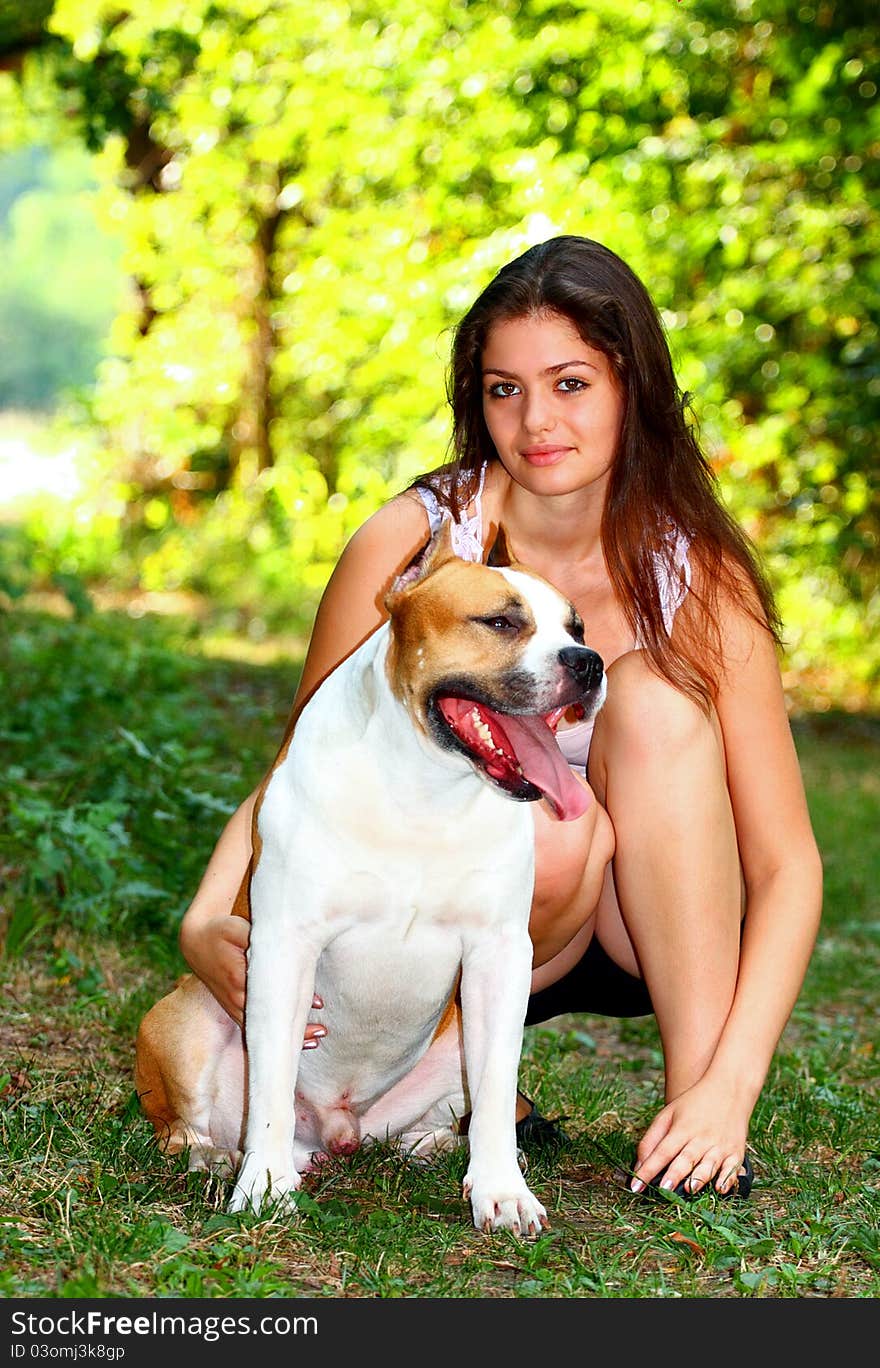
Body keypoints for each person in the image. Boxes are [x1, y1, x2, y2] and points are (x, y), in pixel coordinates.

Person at [179, 235, 823, 1198]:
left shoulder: (703, 576)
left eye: (570, 384)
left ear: (630, 387)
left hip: (632, 928)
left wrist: (734, 1085)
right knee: (539, 822)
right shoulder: (414, 548)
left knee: (649, 700)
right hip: (438, 927)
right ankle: (449, 1077)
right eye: (503, 389)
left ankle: (695, 1123)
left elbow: (787, 865)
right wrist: (202, 921)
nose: (535, 422)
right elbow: (305, 768)